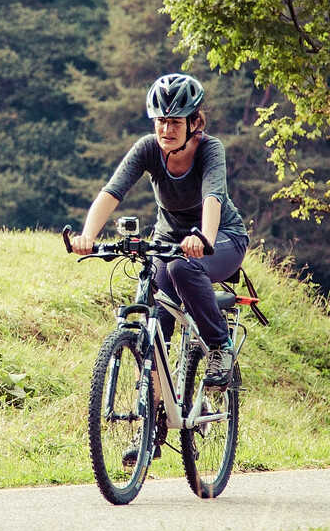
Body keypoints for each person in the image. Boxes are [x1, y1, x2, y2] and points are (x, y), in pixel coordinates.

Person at [71, 73, 249, 391]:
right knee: (156, 324)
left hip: (222, 239)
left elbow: (213, 198)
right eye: (160, 121)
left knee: (183, 266)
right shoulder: (148, 149)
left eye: (175, 122)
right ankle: (152, 419)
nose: (166, 129)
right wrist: (87, 235)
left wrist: (204, 239)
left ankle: (220, 347)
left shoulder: (210, 150)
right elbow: (112, 192)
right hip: (167, 242)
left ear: (194, 123)